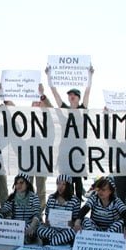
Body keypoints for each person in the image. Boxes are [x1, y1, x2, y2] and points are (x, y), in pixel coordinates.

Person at [46, 65, 94, 201]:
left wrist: (90, 76)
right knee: (65, 182)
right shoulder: (64, 110)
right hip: (65, 150)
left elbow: (87, 92)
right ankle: (64, 208)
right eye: (69, 95)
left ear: (78, 98)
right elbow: (55, 95)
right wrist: (49, 76)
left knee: (78, 183)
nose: (71, 97)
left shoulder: (82, 109)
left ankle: (77, 210)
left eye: (74, 95)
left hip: (78, 150)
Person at [0, 172, 42, 244]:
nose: (18, 185)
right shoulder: (12, 197)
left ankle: (25, 237)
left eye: (21, 183)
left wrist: (31, 226)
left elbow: (37, 214)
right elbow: (5, 211)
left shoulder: (33, 197)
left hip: (30, 224)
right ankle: (21, 238)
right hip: (16, 225)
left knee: (33, 230)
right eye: (16, 183)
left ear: (27, 184)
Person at [36, 175, 81, 245]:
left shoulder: (75, 200)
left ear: (68, 186)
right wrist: (47, 222)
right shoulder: (51, 198)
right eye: (59, 184)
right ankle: (61, 240)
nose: (60, 187)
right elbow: (47, 215)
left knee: (75, 231)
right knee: (39, 229)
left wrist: (72, 222)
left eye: (63, 184)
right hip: (52, 229)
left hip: (67, 229)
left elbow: (76, 218)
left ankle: (50, 241)